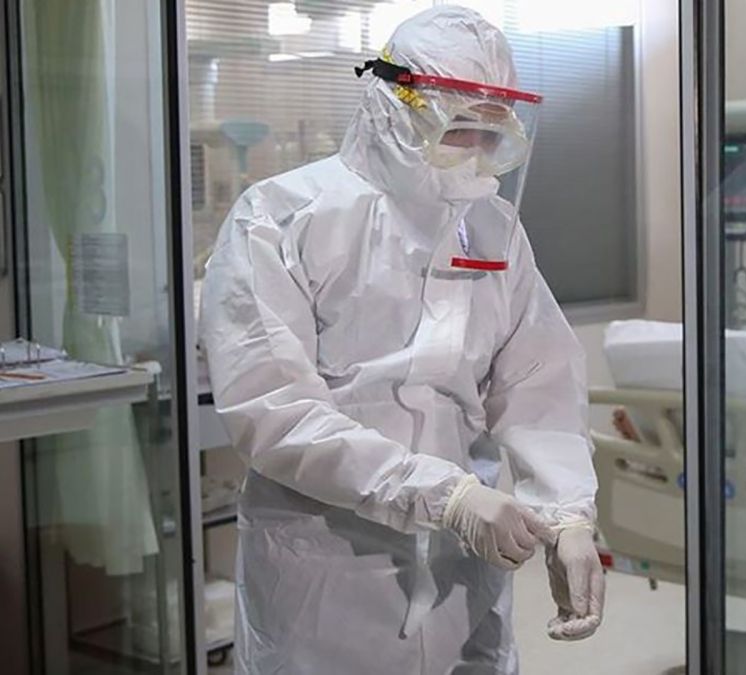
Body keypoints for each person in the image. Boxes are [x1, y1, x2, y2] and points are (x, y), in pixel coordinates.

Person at [199, 7, 603, 673]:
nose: (475, 151)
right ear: (394, 106)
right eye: (458, 127)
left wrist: (566, 512)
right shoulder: (279, 218)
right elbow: (276, 414)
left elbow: (539, 381)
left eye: (491, 133)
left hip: (462, 571)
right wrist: (447, 497)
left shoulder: (492, 227)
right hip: (326, 570)